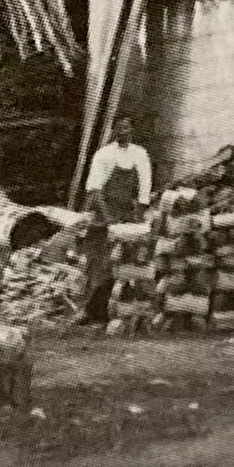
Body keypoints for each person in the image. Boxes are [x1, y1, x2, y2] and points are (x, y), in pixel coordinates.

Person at [78, 114, 153, 325]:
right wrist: (109, 218)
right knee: (97, 263)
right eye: (119, 128)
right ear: (113, 130)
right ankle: (89, 310)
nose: (123, 132)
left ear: (132, 130)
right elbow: (94, 190)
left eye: (127, 128)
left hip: (127, 216)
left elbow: (145, 187)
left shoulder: (140, 154)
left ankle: (116, 311)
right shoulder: (104, 155)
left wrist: (138, 213)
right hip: (104, 214)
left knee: (123, 266)